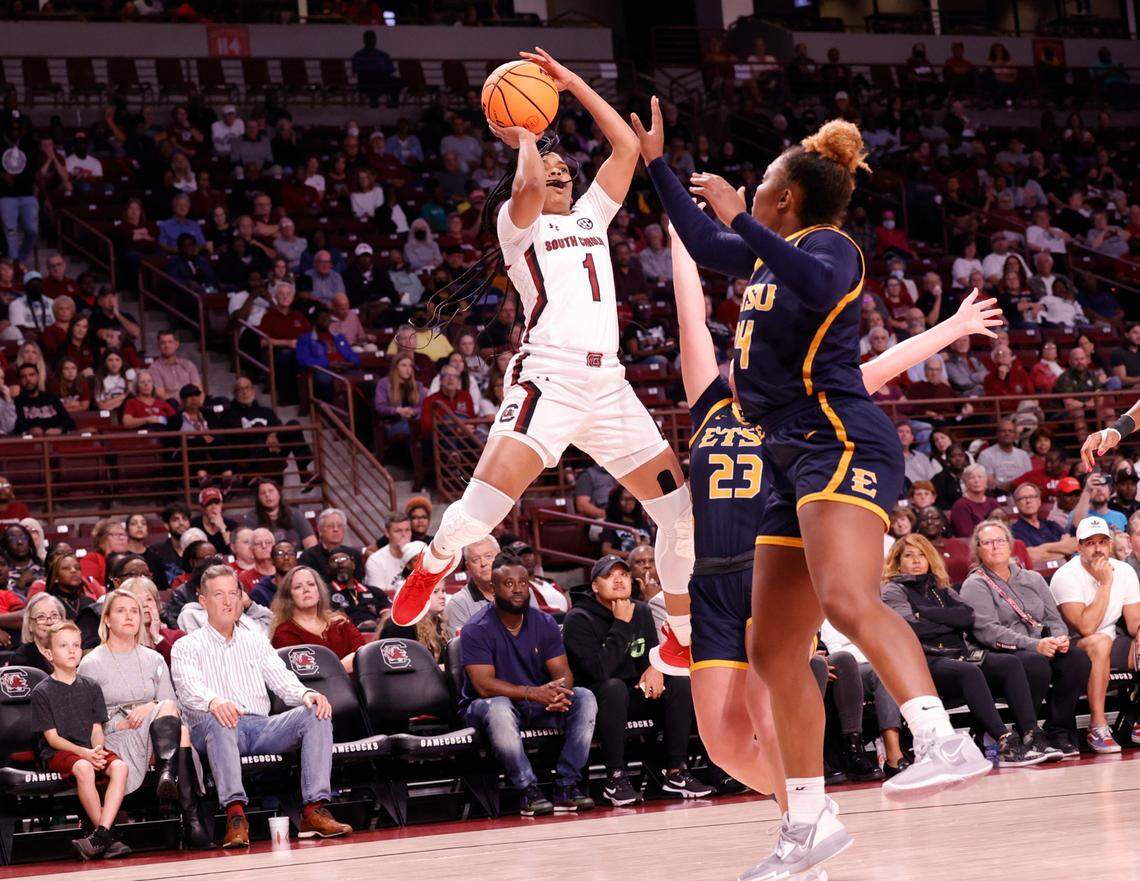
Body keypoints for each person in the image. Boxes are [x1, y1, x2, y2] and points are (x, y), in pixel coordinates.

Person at [636, 106, 990, 877]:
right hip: (787, 458)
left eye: (759, 184)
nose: (749, 191)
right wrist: (655, 165)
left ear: (785, 198)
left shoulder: (829, 247)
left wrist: (738, 215)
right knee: (772, 646)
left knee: (845, 598)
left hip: (840, 438)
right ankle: (805, 822)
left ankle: (942, 737)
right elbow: (702, 243)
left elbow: (814, 276)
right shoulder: (765, 259)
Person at [393, 51, 699, 688]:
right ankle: (436, 560)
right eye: (552, 171)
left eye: (566, 171)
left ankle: (681, 633)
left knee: (681, 513)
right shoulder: (517, 224)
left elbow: (624, 144)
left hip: (608, 385)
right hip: (549, 379)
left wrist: (569, 84)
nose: (560, 176)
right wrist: (528, 138)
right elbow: (528, 185)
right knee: (479, 513)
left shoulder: (592, 216)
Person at [171, 565, 352, 847]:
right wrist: (214, 701)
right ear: (203, 601)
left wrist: (307, 694)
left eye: (233, 593)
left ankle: (312, 812)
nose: (228, 601)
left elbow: (282, 679)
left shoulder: (254, 640)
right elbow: (187, 687)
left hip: (260, 725)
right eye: (219, 594)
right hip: (212, 727)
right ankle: (236, 816)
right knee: (222, 718)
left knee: (315, 712)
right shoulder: (186, 646)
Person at [881, 535, 1058, 768]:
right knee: (968, 672)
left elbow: (967, 617)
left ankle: (1031, 734)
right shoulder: (894, 590)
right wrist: (946, 620)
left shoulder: (940, 587)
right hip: (925, 660)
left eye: (921, 554)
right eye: (909, 555)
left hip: (958, 654)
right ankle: (1004, 741)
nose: (916, 560)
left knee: (1009, 664)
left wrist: (924, 613)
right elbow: (911, 627)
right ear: (897, 561)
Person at [459, 553, 597, 816]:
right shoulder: (476, 628)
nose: (518, 589)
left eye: (523, 582)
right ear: (493, 588)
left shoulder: (544, 622)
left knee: (584, 697)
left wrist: (559, 692)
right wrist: (533, 693)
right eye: (509, 584)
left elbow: (563, 672)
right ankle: (527, 790)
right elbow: (483, 685)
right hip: (487, 708)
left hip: (536, 703)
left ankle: (566, 787)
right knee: (498, 707)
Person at [563, 554, 708, 804]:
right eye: (609, 576)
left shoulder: (641, 610)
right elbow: (599, 671)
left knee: (679, 683)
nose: (618, 580)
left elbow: (647, 657)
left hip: (633, 693)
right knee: (614, 687)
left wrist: (656, 668)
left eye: (624, 574)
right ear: (595, 586)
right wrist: (620, 624)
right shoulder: (578, 618)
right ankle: (615, 776)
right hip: (598, 698)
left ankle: (676, 771)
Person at [77, 589, 209, 847]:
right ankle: (189, 816)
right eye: (121, 611)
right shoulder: (91, 663)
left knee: (172, 714)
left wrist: (148, 707)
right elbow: (88, 720)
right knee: (179, 732)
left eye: (134, 611)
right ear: (107, 619)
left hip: (157, 729)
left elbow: (170, 705)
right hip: (117, 731)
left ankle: (168, 778)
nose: (129, 616)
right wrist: (122, 722)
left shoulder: (154, 658)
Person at [959, 520, 1091, 758]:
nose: (995, 547)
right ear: (978, 549)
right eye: (987, 542)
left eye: (1000, 540)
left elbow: (1053, 617)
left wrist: (1059, 639)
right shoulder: (975, 584)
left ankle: (1058, 729)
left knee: (1077, 658)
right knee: (1034, 662)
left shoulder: (1032, 578)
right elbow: (987, 631)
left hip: (1042, 645)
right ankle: (1027, 731)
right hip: (1001, 652)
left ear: (1010, 546)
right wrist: (1035, 645)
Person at [32, 621, 132, 860]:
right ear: (49, 653)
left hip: (89, 749)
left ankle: (100, 836)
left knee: (120, 767)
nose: (72, 651)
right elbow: (52, 738)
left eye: (76, 645)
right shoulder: (41, 691)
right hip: (59, 752)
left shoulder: (91, 686)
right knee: (84, 767)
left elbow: (97, 727)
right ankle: (107, 837)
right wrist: (85, 754)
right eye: (64, 646)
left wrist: (96, 749)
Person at [1048, 516, 1140, 753]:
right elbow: (1085, 628)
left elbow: (1134, 622)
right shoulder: (1065, 576)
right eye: (1090, 543)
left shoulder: (1125, 570)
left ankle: (1137, 718)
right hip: (1072, 647)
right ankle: (1097, 726)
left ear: (1110, 544)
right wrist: (1105, 584)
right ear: (1079, 547)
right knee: (1099, 642)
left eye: (1103, 542)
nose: (1098, 548)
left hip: (1112, 639)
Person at [269, 566, 366, 674]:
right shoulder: (285, 633)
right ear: (289, 598)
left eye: (311, 584)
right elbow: (309, 672)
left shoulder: (340, 622)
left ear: (319, 593)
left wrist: (334, 671)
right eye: (298, 587)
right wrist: (341, 669)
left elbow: (363, 654)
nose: (306, 590)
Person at [1011, 483, 1077, 566]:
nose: (1028, 501)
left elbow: (1073, 544)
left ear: (1039, 501)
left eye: (1032, 496)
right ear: (1016, 504)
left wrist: (1044, 549)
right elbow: (1030, 556)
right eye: (1023, 498)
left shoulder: (1052, 525)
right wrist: (1064, 551)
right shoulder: (1014, 531)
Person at [298, 508, 364, 581]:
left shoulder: (354, 555)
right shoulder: (308, 556)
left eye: (340, 526)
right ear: (320, 531)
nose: (336, 529)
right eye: (330, 526)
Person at [11, 363, 74, 435]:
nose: (28, 379)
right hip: (29, 442)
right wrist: (29, 431)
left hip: (55, 439)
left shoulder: (52, 398)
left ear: (38, 377)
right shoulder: (16, 402)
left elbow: (69, 422)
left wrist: (60, 429)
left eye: (31, 375)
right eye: (23, 376)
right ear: (19, 380)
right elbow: (14, 427)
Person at [12, 592, 66, 673]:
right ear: (30, 624)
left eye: (54, 615)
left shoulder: (72, 649)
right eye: (41, 617)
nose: (49, 622)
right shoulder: (21, 659)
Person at [977, 419, 1032, 491]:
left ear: (1015, 435)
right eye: (1003, 431)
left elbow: (1029, 479)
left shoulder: (1023, 455)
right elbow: (989, 483)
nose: (1007, 433)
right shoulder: (985, 455)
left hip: (1021, 494)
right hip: (996, 495)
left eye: (1010, 431)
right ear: (997, 434)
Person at [364, 513, 412, 594]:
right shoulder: (375, 561)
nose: (404, 535)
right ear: (387, 533)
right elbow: (379, 597)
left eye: (407, 530)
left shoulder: (419, 555)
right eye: (398, 531)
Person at [148, 331, 201, 403]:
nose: (167, 346)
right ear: (158, 346)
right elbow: (160, 394)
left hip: (193, 405)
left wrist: (198, 404)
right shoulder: (154, 368)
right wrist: (181, 405)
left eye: (170, 342)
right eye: (163, 343)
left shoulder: (188, 365)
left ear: (176, 344)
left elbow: (198, 389)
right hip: (171, 408)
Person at [949, 464, 1001, 537]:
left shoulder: (992, 502)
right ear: (965, 482)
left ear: (986, 480)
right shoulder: (961, 505)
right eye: (971, 478)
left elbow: (1004, 527)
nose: (976, 481)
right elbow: (967, 535)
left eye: (980, 477)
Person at [191, 487, 237, 556]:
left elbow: (235, 552)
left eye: (216, 502)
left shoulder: (232, 525)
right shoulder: (193, 525)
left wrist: (223, 529)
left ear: (221, 504)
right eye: (209, 503)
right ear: (202, 507)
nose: (213, 506)